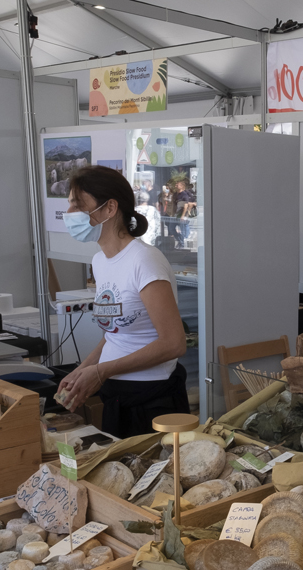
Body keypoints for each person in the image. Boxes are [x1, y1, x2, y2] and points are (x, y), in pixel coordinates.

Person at [56, 165, 189, 438]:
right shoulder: (99, 261)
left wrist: (101, 371)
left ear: (109, 208)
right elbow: (116, 333)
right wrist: (83, 370)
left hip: (152, 402)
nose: (70, 215)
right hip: (116, 397)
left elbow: (174, 343)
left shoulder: (143, 260)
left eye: (77, 206)